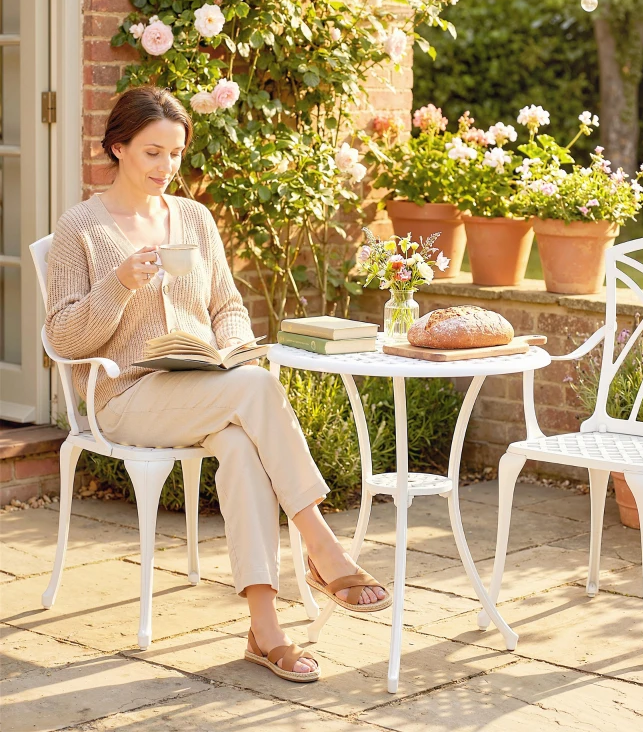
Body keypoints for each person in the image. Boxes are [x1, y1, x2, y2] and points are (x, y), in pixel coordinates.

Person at [45, 85, 389, 683]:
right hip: (123, 396)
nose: (166, 167)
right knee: (254, 389)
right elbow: (63, 337)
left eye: (176, 154)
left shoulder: (195, 219)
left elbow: (228, 305)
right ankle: (321, 544)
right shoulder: (82, 225)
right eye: (153, 152)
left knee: (238, 443)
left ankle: (265, 629)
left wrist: (226, 351)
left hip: (202, 386)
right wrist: (119, 283)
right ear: (118, 147)